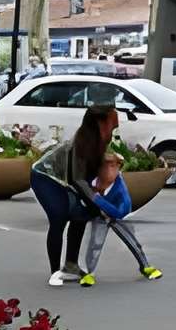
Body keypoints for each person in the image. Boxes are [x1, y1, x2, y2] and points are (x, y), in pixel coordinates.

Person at [28, 103, 117, 288]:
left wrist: (100, 203)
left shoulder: (102, 142)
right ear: (100, 123)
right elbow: (78, 179)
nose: (114, 129)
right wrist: (95, 203)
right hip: (46, 177)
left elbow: (90, 178)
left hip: (66, 180)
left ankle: (71, 265)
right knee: (59, 216)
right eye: (112, 124)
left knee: (80, 215)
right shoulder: (84, 142)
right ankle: (55, 272)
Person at [84, 153, 161, 281]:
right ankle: (88, 272)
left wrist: (98, 201)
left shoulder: (120, 189)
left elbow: (122, 211)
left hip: (118, 218)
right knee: (95, 244)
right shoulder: (90, 181)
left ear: (118, 168)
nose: (109, 170)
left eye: (113, 167)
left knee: (132, 242)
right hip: (99, 217)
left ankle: (146, 266)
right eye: (105, 167)